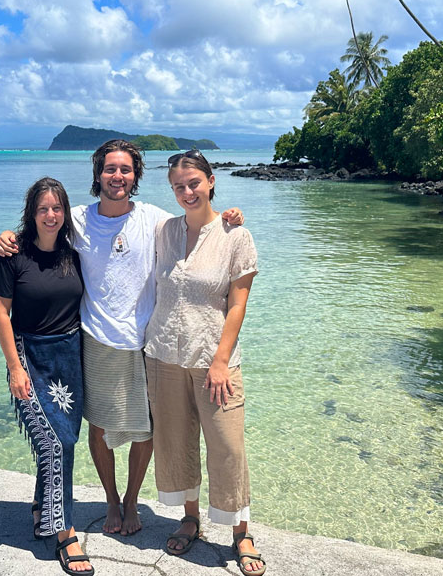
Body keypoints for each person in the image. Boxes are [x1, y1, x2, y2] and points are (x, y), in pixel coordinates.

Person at [0, 139, 244, 536]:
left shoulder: (154, 219)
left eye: (125, 169)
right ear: (97, 175)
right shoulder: (76, 219)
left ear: (136, 176)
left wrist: (228, 215)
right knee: (100, 428)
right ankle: (111, 500)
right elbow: (42, 226)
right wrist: (9, 235)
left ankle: (132, 501)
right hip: (95, 338)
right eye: (110, 169)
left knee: (146, 430)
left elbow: (197, 221)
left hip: (146, 341)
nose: (118, 176)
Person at [143, 149, 265, 576]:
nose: (187, 192)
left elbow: (237, 304)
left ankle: (240, 531)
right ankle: (190, 517)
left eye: (194, 183)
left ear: (211, 180)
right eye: (178, 186)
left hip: (215, 358)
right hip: (162, 354)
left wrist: (220, 360)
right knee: (175, 442)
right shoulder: (163, 231)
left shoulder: (235, 235)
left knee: (228, 446)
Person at [0, 177, 93, 575]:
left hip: (69, 355)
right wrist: (15, 367)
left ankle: (40, 505)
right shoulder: (12, 255)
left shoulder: (73, 254)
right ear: (31, 214)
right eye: (42, 209)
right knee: (56, 444)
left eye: (57, 208)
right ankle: (64, 531)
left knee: (65, 439)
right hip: (28, 354)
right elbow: (1, 312)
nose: (50, 215)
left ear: (65, 212)